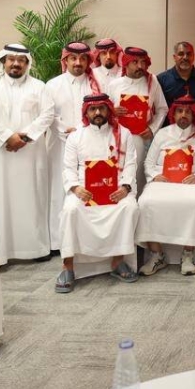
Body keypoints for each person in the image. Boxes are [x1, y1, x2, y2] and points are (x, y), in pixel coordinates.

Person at [0, 44, 56, 264]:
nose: (16, 64)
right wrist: (7, 137)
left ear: (27, 64)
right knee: (0, 198)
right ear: (3, 61)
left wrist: (25, 137)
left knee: (31, 197)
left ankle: (35, 249)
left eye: (21, 60)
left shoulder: (39, 87)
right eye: (11, 59)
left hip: (30, 153)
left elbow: (47, 114)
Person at [56, 94, 139, 293]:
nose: (98, 112)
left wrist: (125, 187)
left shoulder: (124, 133)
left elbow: (130, 164)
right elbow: (68, 168)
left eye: (102, 108)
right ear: (86, 112)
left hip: (116, 188)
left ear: (109, 110)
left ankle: (117, 261)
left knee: (129, 207)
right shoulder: (76, 136)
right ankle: (68, 267)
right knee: (70, 210)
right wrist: (76, 188)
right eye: (93, 109)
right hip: (84, 189)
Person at [138, 96, 195, 277]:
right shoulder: (162, 134)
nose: (184, 115)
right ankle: (157, 255)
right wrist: (155, 176)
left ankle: (188, 255)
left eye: (188, 112)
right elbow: (149, 162)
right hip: (163, 180)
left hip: (191, 181)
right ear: (173, 114)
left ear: (194, 114)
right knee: (145, 203)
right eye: (180, 111)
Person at [45, 42, 103, 251]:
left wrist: (79, 131)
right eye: (73, 58)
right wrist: (65, 130)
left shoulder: (96, 84)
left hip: (89, 145)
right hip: (58, 146)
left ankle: (83, 240)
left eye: (82, 59)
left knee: (86, 188)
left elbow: (100, 112)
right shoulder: (52, 85)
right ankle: (57, 242)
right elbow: (48, 114)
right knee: (58, 189)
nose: (78, 63)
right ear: (66, 60)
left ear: (88, 61)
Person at [108, 46, 168, 190]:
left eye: (143, 62)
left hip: (141, 139)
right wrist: (112, 111)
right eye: (135, 62)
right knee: (117, 176)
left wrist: (152, 129)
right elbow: (102, 112)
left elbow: (162, 109)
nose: (140, 66)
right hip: (117, 140)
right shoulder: (114, 84)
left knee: (139, 175)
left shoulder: (152, 82)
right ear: (126, 63)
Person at [157, 41, 195, 134]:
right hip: (169, 135)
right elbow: (157, 109)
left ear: (194, 56)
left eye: (189, 54)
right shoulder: (162, 79)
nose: (185, 57)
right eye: (181, 54)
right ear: (174, 57)